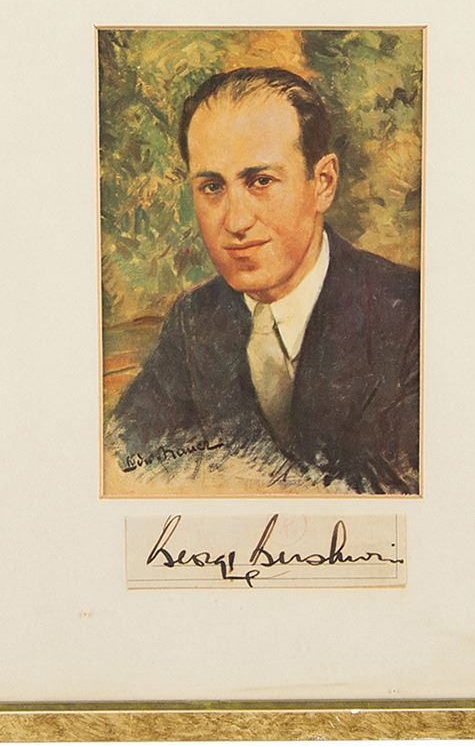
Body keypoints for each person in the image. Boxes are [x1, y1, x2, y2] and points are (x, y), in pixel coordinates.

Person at [109, 67, 420, 494]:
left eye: (260, 181)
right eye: (212, 187)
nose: (236, 222)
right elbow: (126, 467)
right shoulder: (195, 321)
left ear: (323, 184)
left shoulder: (412, 315)